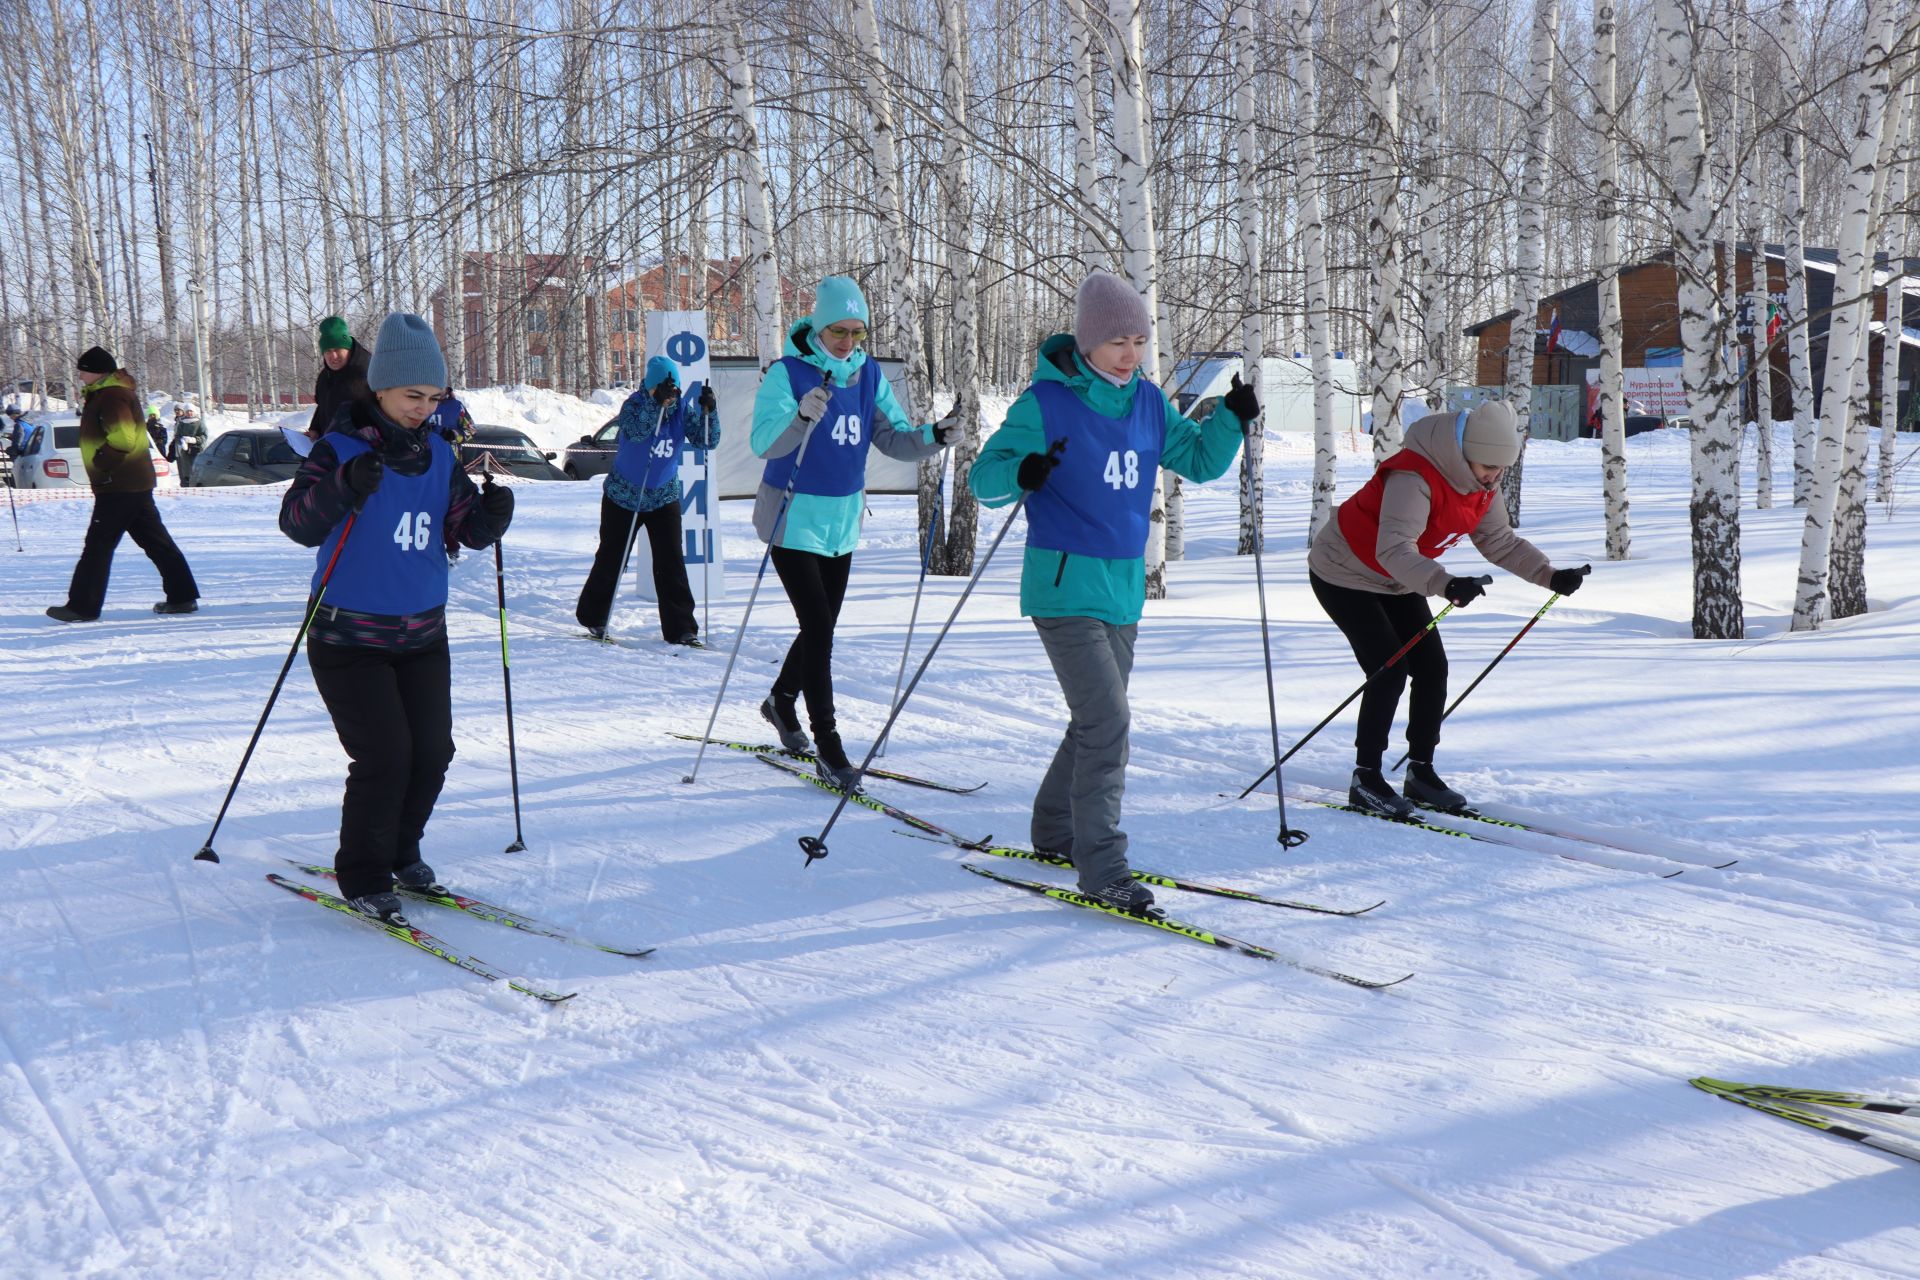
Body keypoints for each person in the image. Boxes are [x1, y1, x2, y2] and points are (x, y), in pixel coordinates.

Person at [970, 270, 1248, 913]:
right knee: (1109, 723)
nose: (1132, 352)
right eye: (1119, 340)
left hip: (1123, 588)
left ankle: (1054, 830)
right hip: (1064, 586)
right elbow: (985, 481)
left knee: (1094, 721)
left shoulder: (1147, 401)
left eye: (1139, 339)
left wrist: (1230, 419)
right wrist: (1024, 470)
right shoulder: (1046, 403)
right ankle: (1103, 868)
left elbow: (1200, 461)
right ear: (1089, 341)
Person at [277, 313, 515, 923]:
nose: (423, 408)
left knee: (432, 751)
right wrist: (343, 484)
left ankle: (401, 850)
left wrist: (489, 518)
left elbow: (460, 526)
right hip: (347, 634)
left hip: (423, 633)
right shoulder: (340, 447)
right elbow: (298, 524)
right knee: (385, 757)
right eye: (414, 396)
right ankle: (362, 872)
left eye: (433, 398)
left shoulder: (438, 454)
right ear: (380, 388)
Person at [1307, 400, 1588, 818]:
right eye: (1487, 466)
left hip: (1399, 578)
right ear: (1464, 453)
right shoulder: (1413, 475)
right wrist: (1444, 583)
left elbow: (1499, 541)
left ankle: (1421, 772)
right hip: (1344, 572)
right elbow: (1393, 548)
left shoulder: (1481, 484)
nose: (1493, 476)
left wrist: (1549, 575)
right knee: (1390, 668)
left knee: (1432, 667)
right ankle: (1366, 779)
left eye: (1501, 468)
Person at [749, 275, 960, 788]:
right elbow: (764, 444)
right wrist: (801, 416)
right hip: (792, 521)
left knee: (820, 629)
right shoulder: (789, 373)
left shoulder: (867, 377)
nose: (848, 342)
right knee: (819, 629)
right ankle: (829, 745)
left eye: (857, 332)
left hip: (841, 525)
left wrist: (935, 436)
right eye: (839, 331)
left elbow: (892, 439)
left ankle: (780, 700)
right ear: (819, 328)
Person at [46, 347, 200, 622]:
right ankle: (182, 596)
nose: (79, 374)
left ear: (97, 372)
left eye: (83, 369)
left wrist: (102, 462)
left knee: (98, 545)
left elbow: (124, 439)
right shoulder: (109, 394)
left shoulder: (112, 396)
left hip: (119, 482)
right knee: (156, 542)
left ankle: (82, 606)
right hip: (130, 481)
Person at [576, 356, 720, 644]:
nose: (671, 396)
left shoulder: (680, 410)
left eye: (675, 390)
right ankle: (594, 617)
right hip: (625, 495)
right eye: (664, 389)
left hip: (663, 496)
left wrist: (709, 413)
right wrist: (656, 405)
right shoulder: (633, 404)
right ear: (651, 386)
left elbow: (707, 440)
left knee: (671, 562)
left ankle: (682, 628)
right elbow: (637, 432)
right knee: (612, 557)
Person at [309, 315, 372, 442]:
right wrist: (315, 429)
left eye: (337, 350)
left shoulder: (369, 371)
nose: (333, 356)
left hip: (362, 449)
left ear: (348, 348)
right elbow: (322, 407)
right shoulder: (324, 376)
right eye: (328, 351)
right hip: (332, 448)